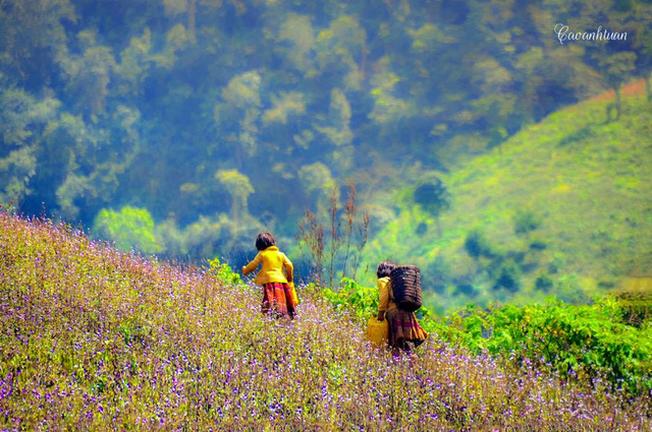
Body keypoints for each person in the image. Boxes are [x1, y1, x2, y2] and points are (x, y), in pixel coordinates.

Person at [376, 261, 428, 353]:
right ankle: (409, 362)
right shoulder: (396, 282)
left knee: (395, 344)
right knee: (405, 344)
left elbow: (384, 298)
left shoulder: (383, 280)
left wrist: (380, 314)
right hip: (408, 313)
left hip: (394, 314)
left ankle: (404, 363)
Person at [242, 231, 296, 319]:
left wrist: (245, 270)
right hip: (282, 282)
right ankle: (286, 319)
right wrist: (289, 278)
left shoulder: (262, 254)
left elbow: (253, 264)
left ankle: (270, 320)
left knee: (269, 303)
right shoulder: (281, 254)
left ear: (259, 246)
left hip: (269, 282)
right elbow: (289, 265)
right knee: (284, 303)